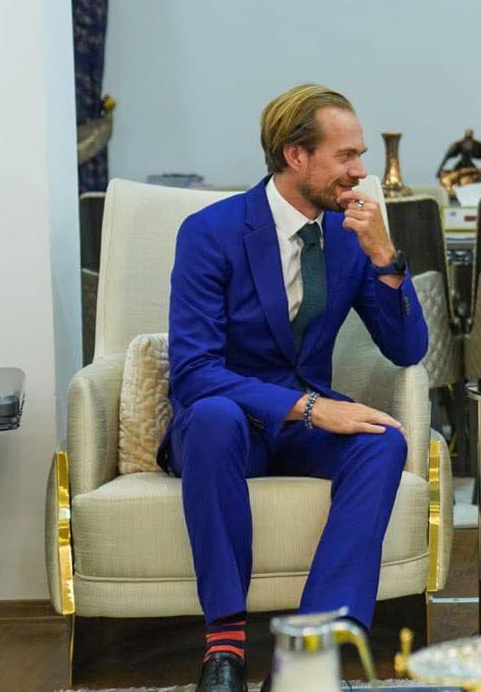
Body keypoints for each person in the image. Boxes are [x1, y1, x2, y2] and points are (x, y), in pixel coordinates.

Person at [157, 84, 428, 692]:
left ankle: (309, 653)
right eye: (345, 155)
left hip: (301, 431)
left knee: (382, 441)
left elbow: (407, 349)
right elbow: (194, 372)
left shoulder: (350, 235)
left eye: (360, 155)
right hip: (228, 426)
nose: (359, 171)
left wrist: (386, 259)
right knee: (214, 417)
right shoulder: (211, 232)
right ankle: (225, 648)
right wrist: (309, 407)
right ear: (295, 155)